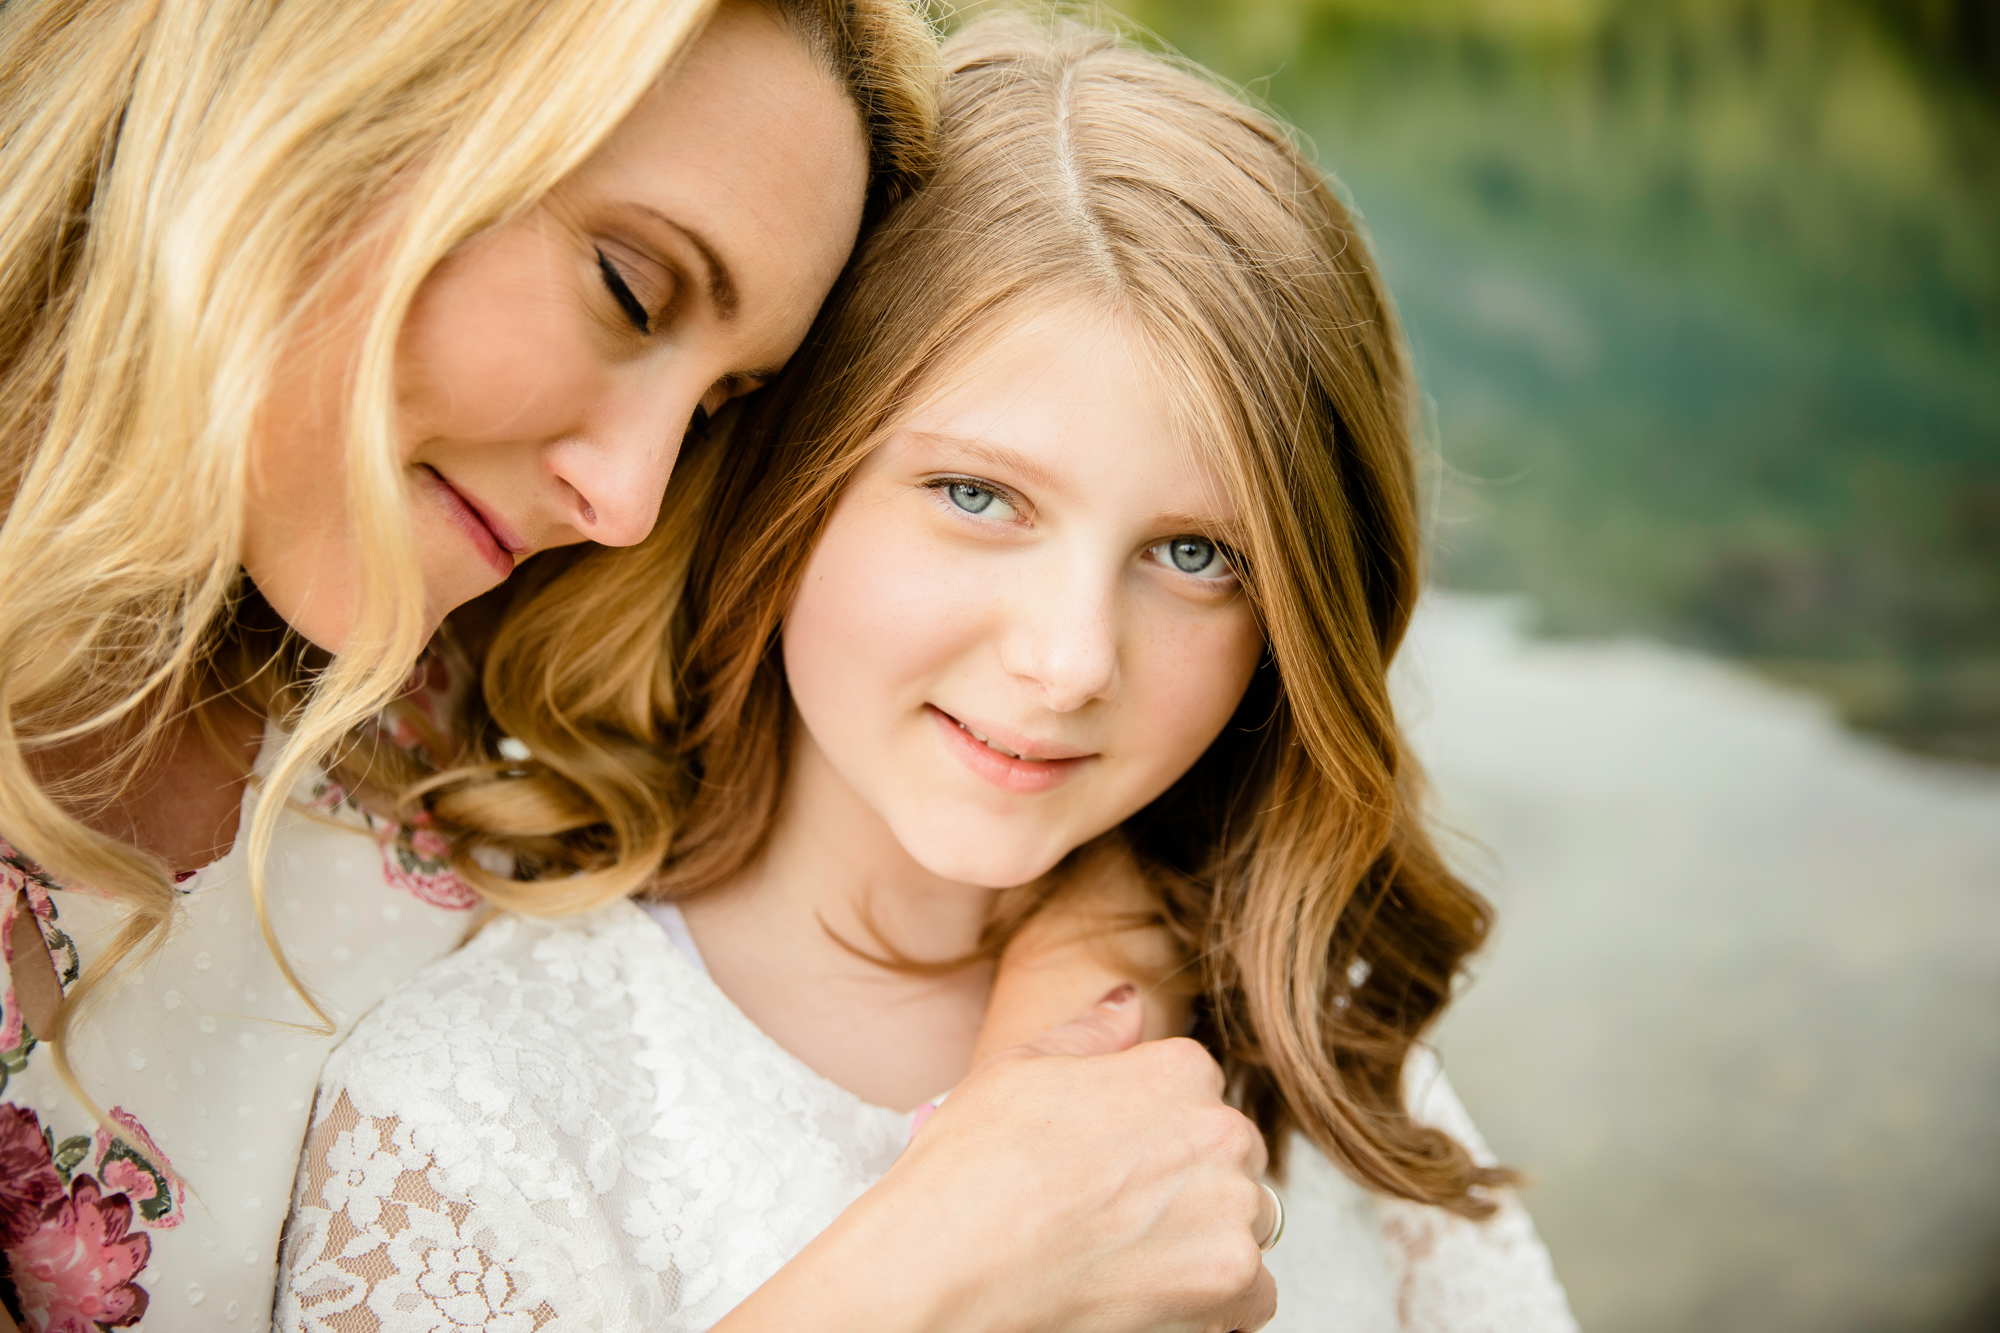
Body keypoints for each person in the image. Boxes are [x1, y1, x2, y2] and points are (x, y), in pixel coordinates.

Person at [278, 14, 1579, 1330]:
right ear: (790, 472)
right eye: (977, 493)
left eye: (1195, 552)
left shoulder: (1318, 1044)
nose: (1069, 661)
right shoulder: (479, 1114)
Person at [0, 2, 1275, 1329]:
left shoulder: (456, 635)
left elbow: (1003, 771)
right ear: (330, 73)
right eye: (628, 289)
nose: (632, 495)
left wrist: (1050, 1062)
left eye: (721, 401)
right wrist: (943, 1265)